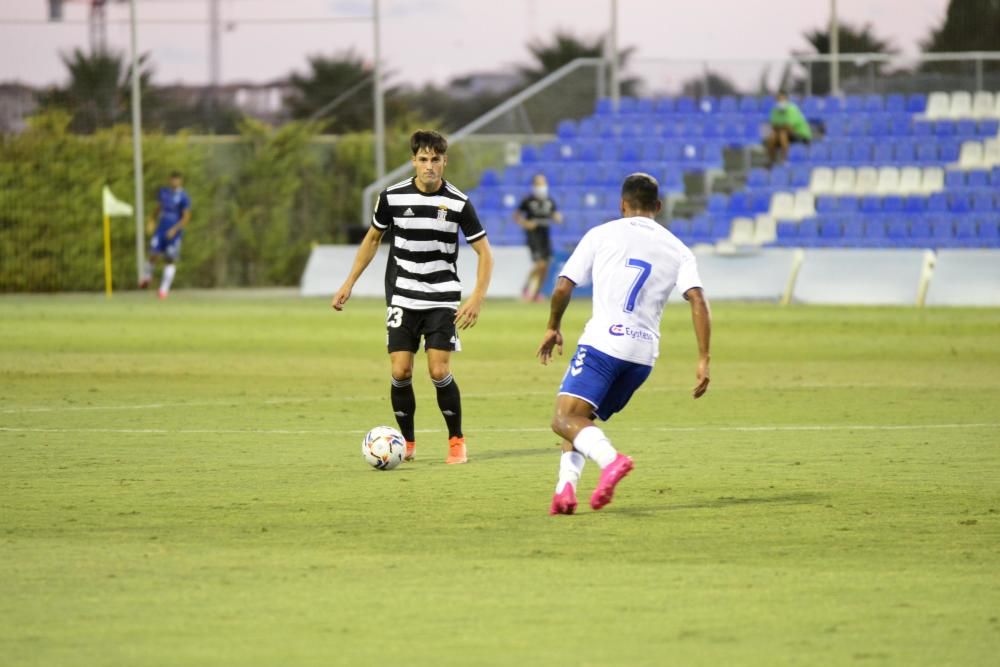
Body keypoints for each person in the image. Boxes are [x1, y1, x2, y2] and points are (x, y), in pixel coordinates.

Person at [536, 172, 712, 515]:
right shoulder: (679, 249)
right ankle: (565, 491)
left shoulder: (601, 234)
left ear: (622, 205)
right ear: (658, 207)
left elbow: (562, 286)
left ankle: (611, 460)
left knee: (562, 418)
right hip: (642, 356)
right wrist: (704, 357)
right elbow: (698, 300)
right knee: (581, 418)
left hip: (603, 344)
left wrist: (553, 326)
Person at [332, 130, 494, 465]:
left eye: (436, 159)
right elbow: (372, 240)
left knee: (438, 371)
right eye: (423, 159)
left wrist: (477, 296)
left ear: (444, 161)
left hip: (441, 297)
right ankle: (406, 443)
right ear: (413, 161)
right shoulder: (391, 197)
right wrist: (349, 282)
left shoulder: (458, 203)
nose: (429, 166)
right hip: (403, 297)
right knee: (401, 371)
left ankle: (456, 440)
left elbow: (485, 253)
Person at [140, 171, 191, 299]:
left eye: (176, 180)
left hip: (174, 233)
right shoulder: (164, 193)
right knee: (153, 253)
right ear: (169, 180)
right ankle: (147, 278)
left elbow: (186, 217)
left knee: (169, 259)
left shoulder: (184, 197)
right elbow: (158, 208)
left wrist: (174, 230)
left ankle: (163, 290)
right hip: (161, 230)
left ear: (180, 181)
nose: (174, 182)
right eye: (172, 179)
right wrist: (152, 220)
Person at [514, 173, 563, 302]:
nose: (542, 186)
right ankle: (526, 288)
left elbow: (556, 215)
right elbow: (516, 216)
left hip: (545, 235)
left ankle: (536, 293)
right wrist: (525, 223)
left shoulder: (549, 201)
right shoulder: (528, 201)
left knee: (545, 266)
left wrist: (557, 218)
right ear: (534, 186)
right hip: (533, 235)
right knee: (540, 264)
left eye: (543, 183)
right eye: (539, 184)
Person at [765, 91, 812, 167]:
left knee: (782, 134)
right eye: (778, 99)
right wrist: (781, 127)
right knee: (772, 136)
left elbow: (790, 128)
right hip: (784, 134)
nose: (780, 101)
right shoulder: (774, 110)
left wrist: (780, 127)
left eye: (782, 99)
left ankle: (785, 160)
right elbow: (774, 126)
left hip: (801, 135)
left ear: (786, 99)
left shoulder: (792, 109)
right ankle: (771, 161)